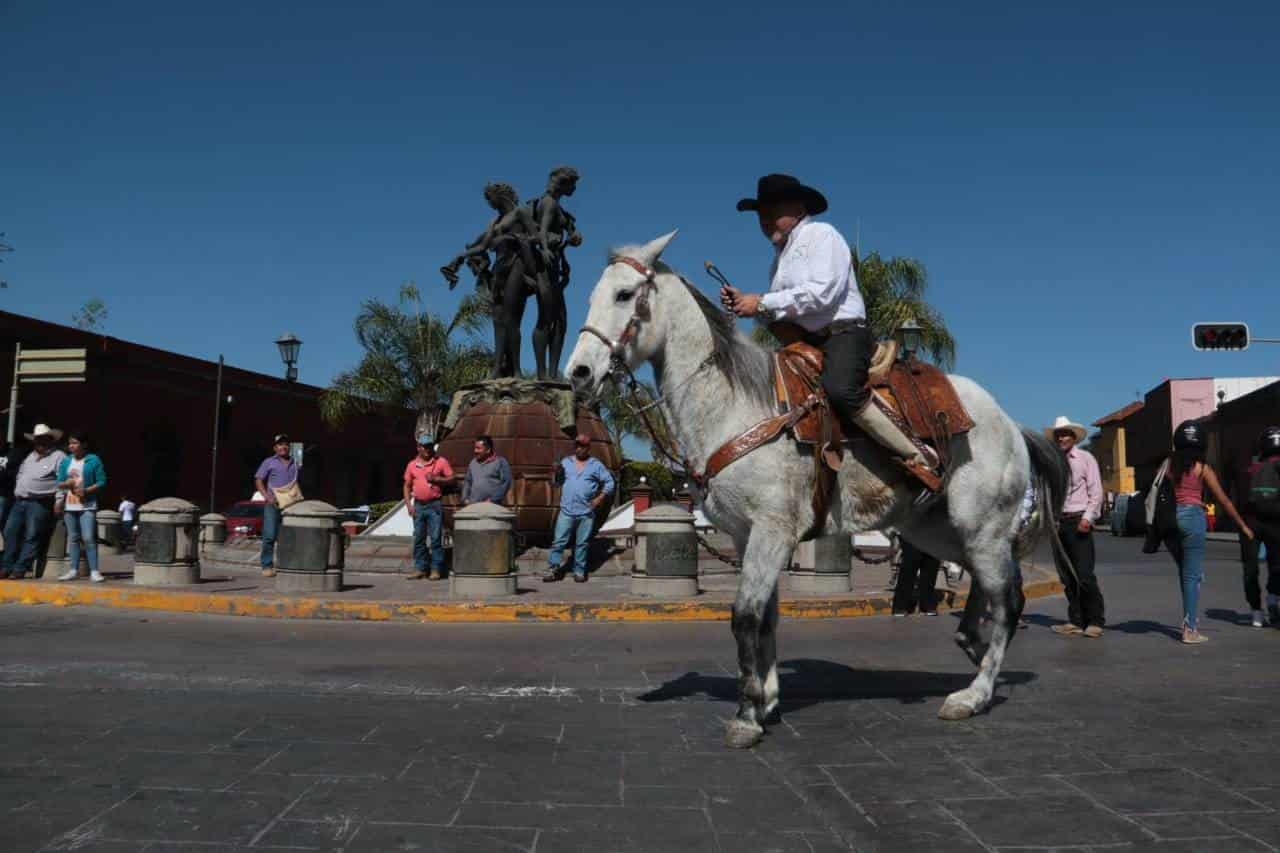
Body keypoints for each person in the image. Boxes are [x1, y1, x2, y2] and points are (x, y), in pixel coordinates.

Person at [720, 173, 940, 495]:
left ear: (798, 210)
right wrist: (747, 304)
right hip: (806, 341)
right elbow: (785, 309)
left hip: (844, 334)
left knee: (841, 390)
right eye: (761, 214)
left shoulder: (822, 235)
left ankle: (919, 457)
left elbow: (822, 293)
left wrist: (762, 302)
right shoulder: (778, 261)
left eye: (773, 211)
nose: (765, 220)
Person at [1152, 420, 1252, 644]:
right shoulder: (1202, 468)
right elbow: (1224, 500)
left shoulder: (1167, 465)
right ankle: (1190, 629)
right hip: (1192, 518)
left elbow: (1157, 491)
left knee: (1185, 570)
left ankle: (1191, 603)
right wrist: (1243, 526)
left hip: (1169, 521)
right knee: (1191, 576)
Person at [1045, 416, 1106, 638]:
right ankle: (1076, 620)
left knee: (1084, 575)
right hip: (1058, 523)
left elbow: (1096, 491)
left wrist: (1088, 518)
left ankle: (1095, 620)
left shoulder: (1085, 459)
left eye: (1065, 434)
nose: (1062, 438)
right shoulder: (1052, 461)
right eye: (1058, 435)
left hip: (1079, 521)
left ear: (1073, 437)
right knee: (1067, 577)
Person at [544, 434, 614, 583]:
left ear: (588, 448)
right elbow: (556, 483)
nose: (579, 448)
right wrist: (555, 472)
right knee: (558, 542)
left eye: (582, 446)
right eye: (577, 445)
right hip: (566, 511)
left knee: (582, 544)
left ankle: (579, 571)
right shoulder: (565, 462)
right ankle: (553, 569)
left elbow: (610, 482)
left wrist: (599, 499)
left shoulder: (596, 465)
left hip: (586, 512)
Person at [1, 424, 67, 579]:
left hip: (40, 502)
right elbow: (21, 473)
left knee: (32, 535)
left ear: (50, 439)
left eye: (43, 439)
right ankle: (6, 566)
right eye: (37, 439)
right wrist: (19, 489)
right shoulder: (30, 456)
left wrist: (59, 501)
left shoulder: (59, 456)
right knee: (10, 532)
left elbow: (62, 480)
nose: (39, 442)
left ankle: (20, 568)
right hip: (20, 501)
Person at [1239, 426, 1280, 628]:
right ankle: (1273, 598)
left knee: (1250, 567)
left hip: (1250, 522)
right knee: (1277, 564)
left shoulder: (1250, 468)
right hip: (1276, 521)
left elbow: (1239, 498)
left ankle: (1256, 612)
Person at [54, 430, 107, 582]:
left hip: (87, 504)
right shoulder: (66, 461)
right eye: (70, 443)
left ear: (84, 444)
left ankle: (94, 571)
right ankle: (73, 570)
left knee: (88, 538)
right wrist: (66, 484)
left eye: (75, 443)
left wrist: (86, 490)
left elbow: (102, 481)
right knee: (73, 538)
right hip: (69, 505)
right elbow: (59, 483)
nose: (71, 446)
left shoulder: (93, 460)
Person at [403, 434, 453, 580]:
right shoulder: (412, 465)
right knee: (419, 538)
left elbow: (452, 478)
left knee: (436, 538)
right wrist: (409, 505)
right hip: (418, 505)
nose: (428, 449)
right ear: (418, 447)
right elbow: (407, 486)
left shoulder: (440, 461)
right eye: (425, 446)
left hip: (434, 505)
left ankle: (435, 569)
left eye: (430, 446)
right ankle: (420, 568)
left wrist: (437, 479)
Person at [253, 434, 298, 579]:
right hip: (273, 504)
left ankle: (286, 565)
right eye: (280, 444)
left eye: (286, 444)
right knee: (270, 535)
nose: (283, 447)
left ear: (289, 447)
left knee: (288, 537)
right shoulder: (269, 462)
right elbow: (258, 480)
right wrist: (267, 497)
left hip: (290, 505)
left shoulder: (295, 463)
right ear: (275, 448)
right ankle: (267, 566)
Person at [893, 537, 941, 616]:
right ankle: (900, 606)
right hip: (913, 537)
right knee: (908, 572)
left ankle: (927, 605)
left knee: (930, 573)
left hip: (933, 538)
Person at [461, 435, 511, 506]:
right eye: (475, 448)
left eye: (478, 448)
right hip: (474, 505)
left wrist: (493, 500)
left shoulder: (500, 462)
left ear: (488, 450)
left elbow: (506, 483)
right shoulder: (473, 462)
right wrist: (465, 498)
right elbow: (468, 481)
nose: (475, 451)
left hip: (492, 506)